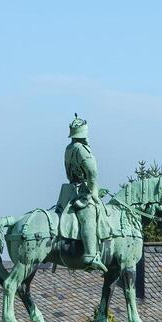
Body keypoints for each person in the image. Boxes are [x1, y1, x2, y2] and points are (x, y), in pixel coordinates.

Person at [64, 114, 104, 270]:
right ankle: (91, 255)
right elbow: (92, 172)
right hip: (82, 192)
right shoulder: (81, 149)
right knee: (90, 213)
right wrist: (93, 191)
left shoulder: (69, 148)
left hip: (70, 189)